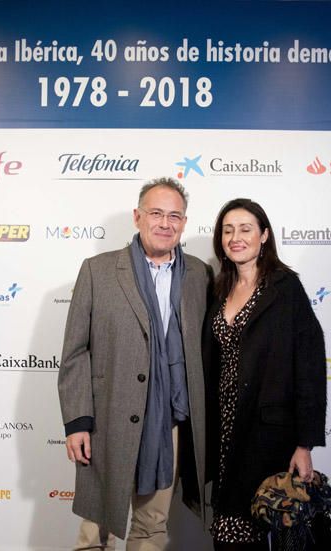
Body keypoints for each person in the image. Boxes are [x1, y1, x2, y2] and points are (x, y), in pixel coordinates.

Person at [58, 177, 212, 551]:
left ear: (185, 223)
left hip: (170, 423)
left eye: (174, 216)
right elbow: (76, 352)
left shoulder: (198, 275)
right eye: (156, 213)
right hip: (108, 418)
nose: (165, 223)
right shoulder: (98, 270)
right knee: (96, 531)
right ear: (137, 217)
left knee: (151, 527)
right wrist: (78, 422)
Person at [204, 198, 327, 551]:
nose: (235, 237)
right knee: (230, 535)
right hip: (223, 432)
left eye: (245, 229)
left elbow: (309, 367)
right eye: (228, 230)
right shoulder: (218, 288)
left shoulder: (285, 288)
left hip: (267, 434)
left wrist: (304, 444)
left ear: (264, 236)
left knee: (252, 532)